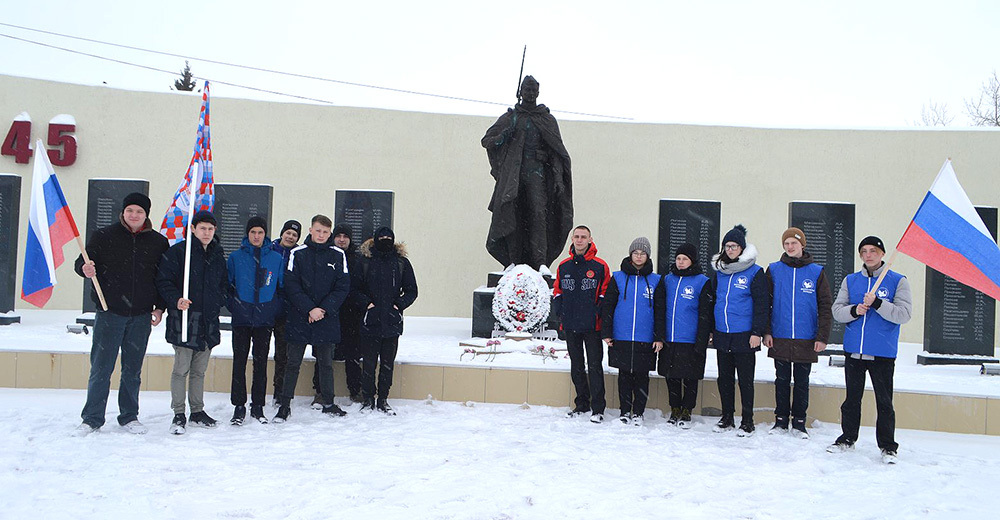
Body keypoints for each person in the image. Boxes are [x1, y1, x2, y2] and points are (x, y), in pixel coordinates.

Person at [73, 192, 169, 436]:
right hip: (110, 313)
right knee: (101, 368)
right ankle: (92, 418)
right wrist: (84, 268)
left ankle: (129, 416)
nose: (134, 215)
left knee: (132, 369)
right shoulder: (104, 236)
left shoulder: (158, 242)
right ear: (123, 213)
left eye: (139, 211)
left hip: (140, 316)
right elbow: (82, 262)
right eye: (130, 211)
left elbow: (163, 278)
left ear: (146, 215)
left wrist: (159, 307)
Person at [828, 236, 912, 464]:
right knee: (852, 399)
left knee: (884, 401)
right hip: (855, 350)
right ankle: (847, 439)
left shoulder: (898, 281)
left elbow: (904, 314)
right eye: (864, 251)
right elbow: (838, 311)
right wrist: (855, 310)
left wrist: (877, 304)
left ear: (882, 253)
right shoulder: (851, 280)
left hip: (882, 352)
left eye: (873, 250)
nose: (868, 255)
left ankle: (888, 446)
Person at [481, 75, 573, 269]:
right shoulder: (511, 117)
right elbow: (487, 141)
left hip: (538, 175)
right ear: (520, 92)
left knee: (539, 214)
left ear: (538, 92)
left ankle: (540, 262)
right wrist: (506, 133)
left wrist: (558, 178)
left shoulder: (546, 119)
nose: (530, 94)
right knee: (511, 213)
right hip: (513, 177)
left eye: (533, 90)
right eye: (527, 90)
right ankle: (512, 261)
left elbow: (557, 151)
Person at [156, 210, 229, 435]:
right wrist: (175, 299)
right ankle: (179, 413)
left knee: (199, 371)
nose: (206, 233)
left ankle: (197, 410)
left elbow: (223, 284)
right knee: (181, 369)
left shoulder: (217, 254)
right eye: (202, 228)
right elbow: (164, 281)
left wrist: (218, 300)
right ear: (193, 229)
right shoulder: (179, 252)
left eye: (210, 229)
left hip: (208, 321)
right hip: (185, 319)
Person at [275, 214, 351, 422]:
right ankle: (284, 405)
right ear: (310, 230)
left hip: (326, 318)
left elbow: (342, 287)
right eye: (318, 230)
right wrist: (309, 308)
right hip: (300, 317)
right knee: (292, 363)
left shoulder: (337, 255)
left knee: (326, 363)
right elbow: (291, 285)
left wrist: (323, 309)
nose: (321, 235)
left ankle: (328, 402)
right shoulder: (298, 253)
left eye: (326, 232)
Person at [763, 227, 833, 439]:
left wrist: (822, 337)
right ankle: (781, 420)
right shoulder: (774, 269)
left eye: (794, 243)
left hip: (806, 337)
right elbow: (765, 303)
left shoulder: (816, 271)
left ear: (802, 244)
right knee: (781, 379)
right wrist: (767, 331)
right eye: (786, 244)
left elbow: (825, 305)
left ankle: (799, 422)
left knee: (802, 381)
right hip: (780, 336)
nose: (790, 247)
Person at [709, 224, 769, 437]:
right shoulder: (720, 272)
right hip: (722, 333)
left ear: (742, 248)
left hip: (745, 335)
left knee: (745, 380)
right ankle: (727, 417)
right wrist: (711, 330)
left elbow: (762, 305)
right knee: (724, 379)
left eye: (734, 246)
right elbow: (713, 301)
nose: (731, 250)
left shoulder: (754, 272)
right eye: (727, 246)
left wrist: (757, 332)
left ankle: (747, 420)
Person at [227, 216, 284, 425]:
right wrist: (235, 306)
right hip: (242, 318)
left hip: (264, 319)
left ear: (265, 234)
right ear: (247, 234)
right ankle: (239, 405)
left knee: (261, 363)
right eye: (253, 232)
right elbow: (228, 286)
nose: (256, 236)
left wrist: (273, 309)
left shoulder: (276, 258)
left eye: (260, 232)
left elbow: (281, 287)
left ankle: (258, 406)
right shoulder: (235, 257)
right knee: (239, 362)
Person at [552, 225, 611, 423]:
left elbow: (605, 294)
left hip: (592, 327)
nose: (579, 240)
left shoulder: (600, 266)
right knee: (576, 366)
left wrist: (597, 314)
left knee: (594, 367)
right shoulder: (564, 266)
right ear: (572, 239)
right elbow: (558, 291)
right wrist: (560, 312)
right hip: (570, 326)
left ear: (590, 239)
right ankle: (582, 403)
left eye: (583, 237)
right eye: (576, 237)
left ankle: (598, 408)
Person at [357, 226, 418, 414]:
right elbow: (354, 289)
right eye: (381, 237)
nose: (385, 240)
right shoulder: (365, 261)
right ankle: (368, 399)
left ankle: (383, 398)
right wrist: (367, 304)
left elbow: (412, 290)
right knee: (368, 363)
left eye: (388, 237)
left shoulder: (401, 263)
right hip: (370, 322)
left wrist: (398, 306)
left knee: (387, 364)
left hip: (392, 322)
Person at [601, 237, 661, 426]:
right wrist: (607, 332)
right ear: (630, 254)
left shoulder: (656, 280)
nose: (639, 256)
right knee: (624, 376)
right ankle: (625, 410)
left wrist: (659, 337)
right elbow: (608, 306)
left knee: (642, 377)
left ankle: (638, 412)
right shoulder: (617, 277)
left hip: (645, 337)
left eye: (643, 253)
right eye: (636, 252)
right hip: (622, 335)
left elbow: (660, 312)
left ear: (648, 256)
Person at [654, 243, 712, 429]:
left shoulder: (702, 281)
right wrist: (660, 335)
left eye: (684, 259)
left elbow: (705, 313)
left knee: (689, 377)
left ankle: (687, 410)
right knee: (671, 377)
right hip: (670, 338)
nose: (680, 262)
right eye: (678, 258)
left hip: (690, 339)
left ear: (692, 260)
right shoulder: (667, 280)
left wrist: (701, 339)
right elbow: (660, 309)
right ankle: (675, 408)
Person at [315, 223, 366, 403]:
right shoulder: (324, 255)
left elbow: (360, 286)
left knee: (352, 355)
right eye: (338, 236)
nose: (342, 240)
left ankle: (355, 389)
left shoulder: (358, 260)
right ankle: (320, 391)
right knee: (323, 354)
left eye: (345, 236)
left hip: (351, 314)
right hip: (327, 312)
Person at [269, 219, 301, 406]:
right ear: (282, 233)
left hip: (288, 310)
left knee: (283, 354)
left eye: (294, 234)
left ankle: (279, 391)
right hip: (268, 306)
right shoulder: (270, 250)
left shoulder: (298, 254)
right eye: (288, 232)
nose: (290, 237)